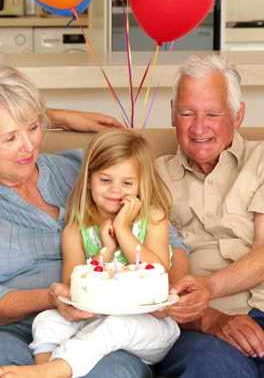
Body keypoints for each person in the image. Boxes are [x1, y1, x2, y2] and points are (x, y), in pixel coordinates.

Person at [0, 64, 196, 378]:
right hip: (19, 327)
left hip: (113, 319)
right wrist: (51, 298)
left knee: (113, 370)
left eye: (34, 128)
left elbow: (170, 242)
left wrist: (169, 296)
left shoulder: (80, 166)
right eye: (10, 138)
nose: (28, 146)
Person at [153, 54, 264, 378]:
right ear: (173, 113)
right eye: (187, 113)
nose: (199, 128)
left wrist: (209, 287)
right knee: (212, 368)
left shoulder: (261, 161)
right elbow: (149, 269)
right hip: (200, 329)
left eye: (212, 114)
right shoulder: (151, 177)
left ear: (238, 114)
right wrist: (210, 318)